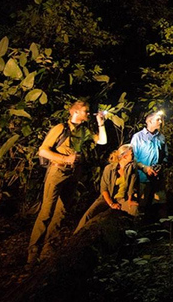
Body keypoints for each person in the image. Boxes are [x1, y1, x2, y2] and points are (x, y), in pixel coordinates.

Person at [27, 100, 107, 265]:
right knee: (46, 212)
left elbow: (102, 141)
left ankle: (48, 249)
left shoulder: (84, 130)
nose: (88, 113)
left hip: (73, 173)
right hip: (57, 171)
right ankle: (33, 251)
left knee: (61, 212)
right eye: (86, 111)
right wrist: (65, 158)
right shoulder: (61, 128)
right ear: (76, 112)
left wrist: (101, 124)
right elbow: (43, 150)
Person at [74, 144, 139, 233]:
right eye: (131, 153)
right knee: (89, 215)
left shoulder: (132, 167)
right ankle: (76, 234)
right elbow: (104, 189)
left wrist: (130, 199)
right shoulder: (109, 169)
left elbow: (132, 184)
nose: (133, 155)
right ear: (125, 156)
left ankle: (132, 234)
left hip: (122, 198)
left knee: (134, 210)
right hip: (107, 198)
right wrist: (111, 204)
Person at [131, 110, 168, 219]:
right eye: (158, 120)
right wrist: (145, 168)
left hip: (157, 178)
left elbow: (165, 156)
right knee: (142, 205)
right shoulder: (137, 137)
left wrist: (161, 166)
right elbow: (133, 157)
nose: (160, 122)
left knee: (160, 204)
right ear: (149, 121)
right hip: (142, 179)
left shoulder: (161, 137)